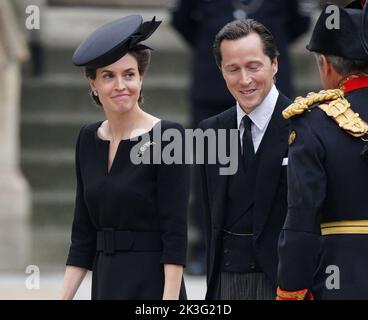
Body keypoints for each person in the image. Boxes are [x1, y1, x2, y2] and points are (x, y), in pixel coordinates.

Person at [171, 0, 312, 275]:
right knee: (210, 177)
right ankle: (205, 248)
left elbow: (300, 21)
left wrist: (256, 49)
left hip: (268, 90)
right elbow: (182, 18)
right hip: (211, 91)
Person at [59, 15, 189, 300]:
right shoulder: (87, 139)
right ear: (93, 84)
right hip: (106, 282)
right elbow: (82, 236)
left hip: (153, 284)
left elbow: (175, 234)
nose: (121, 85)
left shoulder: (169, 136)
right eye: (108, 76)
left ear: (141, 79)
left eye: (129, 74)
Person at [277, 0, 368, 300]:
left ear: (326, 65)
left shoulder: (313, 123)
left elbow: (301, 221)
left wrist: (290, 290)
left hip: (341, 279)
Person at [198, 19, 291, 300]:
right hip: (224, 284)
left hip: (285, 285)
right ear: (221, 71)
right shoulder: (210, 131)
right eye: (233, 69)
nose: (245, 80)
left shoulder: (306, 125)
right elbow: (209, 214)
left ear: (274, 64)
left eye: (253, 67)